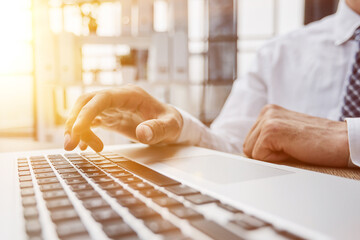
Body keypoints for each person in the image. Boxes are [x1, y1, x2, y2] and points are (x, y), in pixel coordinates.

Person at [64, 0, 360, 168]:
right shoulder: (278, 53)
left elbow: (345, 140)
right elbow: (231, 150)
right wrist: (179, 126)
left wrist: (349, 139)